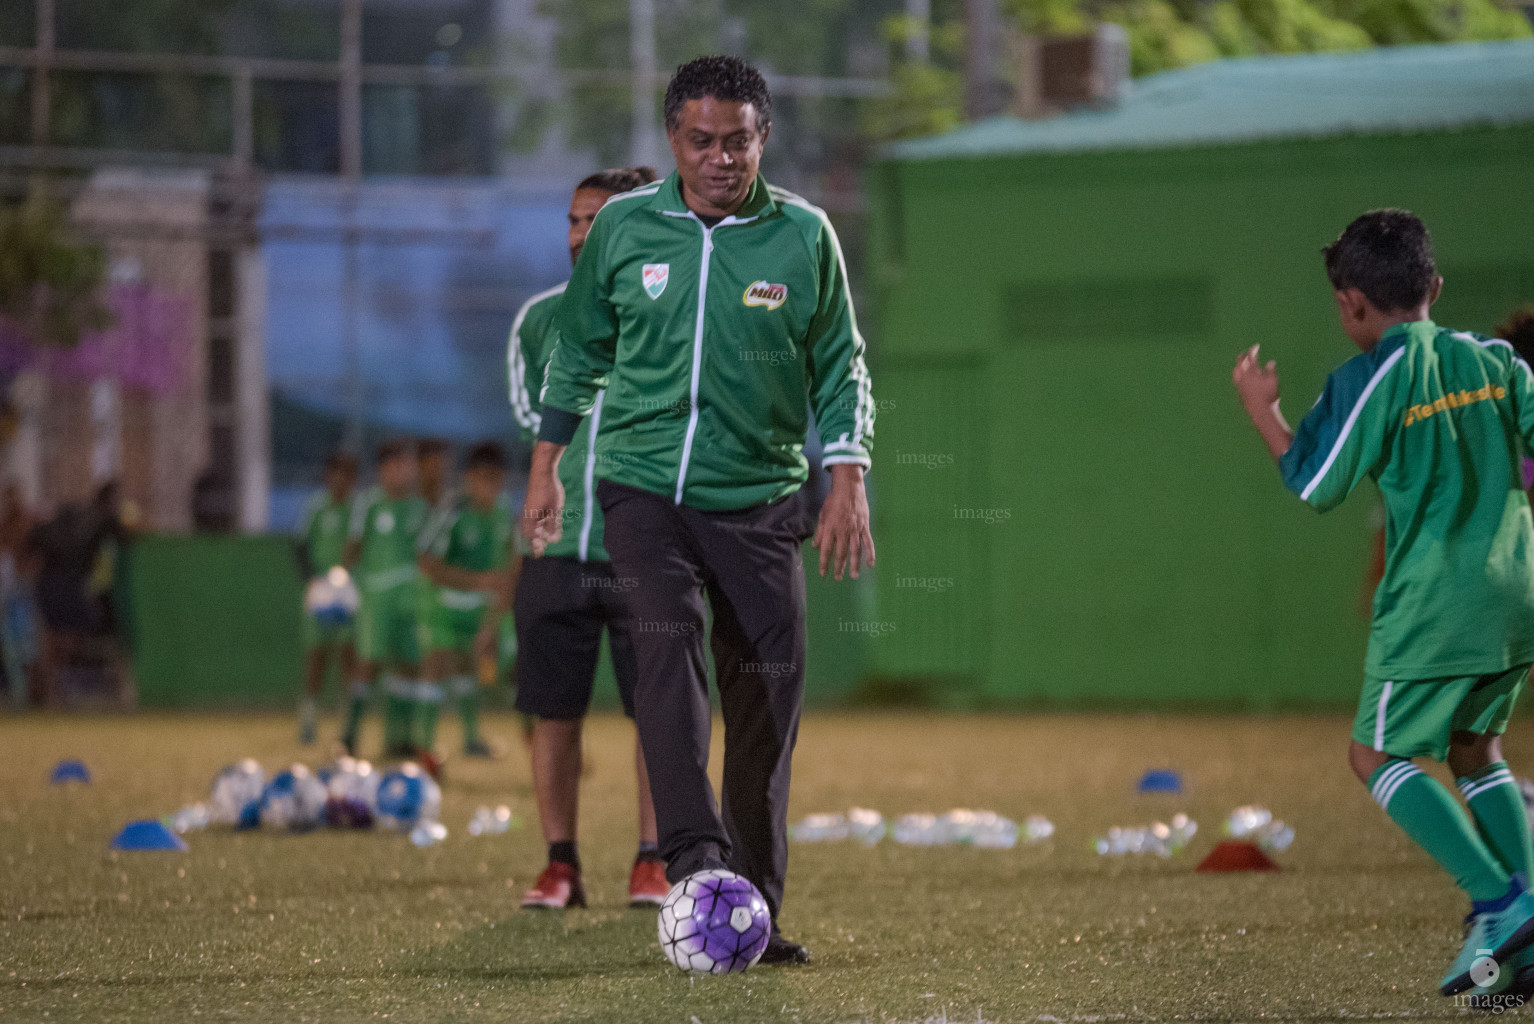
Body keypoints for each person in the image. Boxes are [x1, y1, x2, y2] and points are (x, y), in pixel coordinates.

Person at [522, 56, 876, 962]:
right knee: (665, 653)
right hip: (644, 494)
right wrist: (548, 465)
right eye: (701, 141)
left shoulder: (803, 236)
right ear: (673, 139)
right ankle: (694, 861)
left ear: (765, 139)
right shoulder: (628, 229)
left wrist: (848, 477)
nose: (721, 158)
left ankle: (753, 908)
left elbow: (840, 366)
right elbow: (579, 350)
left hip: (760, 503)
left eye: (739, 142)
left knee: (765, 702)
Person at [1233, 209, 1534, 999]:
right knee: (1475, 750)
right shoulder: (1496, 359)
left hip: (1438, 602)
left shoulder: (1368, 379)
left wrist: (1262, 408)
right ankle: (1528, 936)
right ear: (1435, 286)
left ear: (1350, 304)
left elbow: (1315, 482)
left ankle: (1502, 904)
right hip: (1516, 595)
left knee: (1375, 756)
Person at [508, 164, 670, 910]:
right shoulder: (540, 319)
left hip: (646, 546)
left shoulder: (669, 313)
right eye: (573, 221)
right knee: (553, 711)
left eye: (594, 221)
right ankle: (560, 863)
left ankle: (651, 859)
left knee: (658, 710)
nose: (580, 235)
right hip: (556, 549)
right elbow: (531, 414)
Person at [415, 441, 516, 759]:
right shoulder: (453, 510)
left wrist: (492, 623)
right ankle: (424, 747)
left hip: (478, 610)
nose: (491, 486)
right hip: (442, 605)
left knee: (470, 669)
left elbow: (504, 573)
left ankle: (472, 740)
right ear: (469, 478)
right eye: (484, 477)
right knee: (437, 664)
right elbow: (427, 562)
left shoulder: (503, 515)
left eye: (497, 478)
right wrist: (476, 581)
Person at [342, 440, 428, 758]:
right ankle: (348, 738)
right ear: (383, 470)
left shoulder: (419, 507)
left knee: (408, 665)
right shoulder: (368, 504)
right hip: (376, 598)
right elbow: (352, 548)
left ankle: (399, 739)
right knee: (367, 664)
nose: (403, 472)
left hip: (410, 597)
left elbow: (426, 554)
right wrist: (341, 582)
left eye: (407, 465)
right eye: (396, 465)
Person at [293, 450, 360, 745]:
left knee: (349, 657)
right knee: (316, 658)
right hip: (321, 592)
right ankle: (308, 720)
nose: (340, 480)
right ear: (327, 476)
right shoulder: (316, 508)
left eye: (347, 473)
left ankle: (348, 725)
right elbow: (300, 547)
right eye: (336, 472)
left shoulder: (358, 510)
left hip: (349, 593)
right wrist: (314, 581)